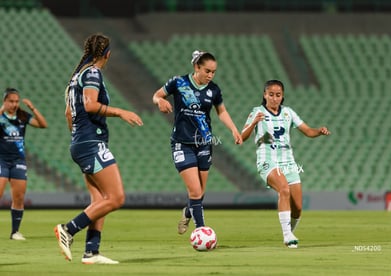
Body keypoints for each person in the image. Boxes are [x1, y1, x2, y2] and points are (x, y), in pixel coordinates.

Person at [54, 33, 143, 264]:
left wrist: (78, 138)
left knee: (99, 200)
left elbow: (68, 113)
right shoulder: (93, 72)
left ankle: (91, 252)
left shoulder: (76, 77)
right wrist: (121, 112)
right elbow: (90, 105)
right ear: (107, 54)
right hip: (91, 142)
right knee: (116, 198)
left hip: (82, 142)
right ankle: (68, 229)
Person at [152, 50, 242, 235]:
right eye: (207, 71)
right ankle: (201, 231)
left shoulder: (214, 90)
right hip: (182, 143)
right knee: (194, 190)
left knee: (199, 193)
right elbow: (157, 95)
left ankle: (188, 211)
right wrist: (159, 101)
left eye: (213, 72)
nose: (210, 75)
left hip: (204, 143)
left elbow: (221, 112)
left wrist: (233, 129)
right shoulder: (178, 82)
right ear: (196, 67)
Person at [241, 79, 330, 248]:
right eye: (271, 95)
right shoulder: (257, 112)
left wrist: (319, 131)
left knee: (297, 208)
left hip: (289, 163)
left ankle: (290, 232)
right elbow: (241, 137)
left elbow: (307, 131)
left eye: (278, 95)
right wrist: (253, 123)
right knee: (283, 189)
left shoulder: (288, 113)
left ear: (282, 97)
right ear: (265, 95)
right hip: (267, 161)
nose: (274, 98)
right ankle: (287, 235)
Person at [0, 88, 48, 240]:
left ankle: (15, 232)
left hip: (18, 161)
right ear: (5, 102)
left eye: (16, 101)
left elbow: (42, 124)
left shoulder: (22, 116)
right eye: (11, 101)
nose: (14, 104)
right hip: (1, 160)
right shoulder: (1, 117)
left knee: (19, 197)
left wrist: (32, 108)